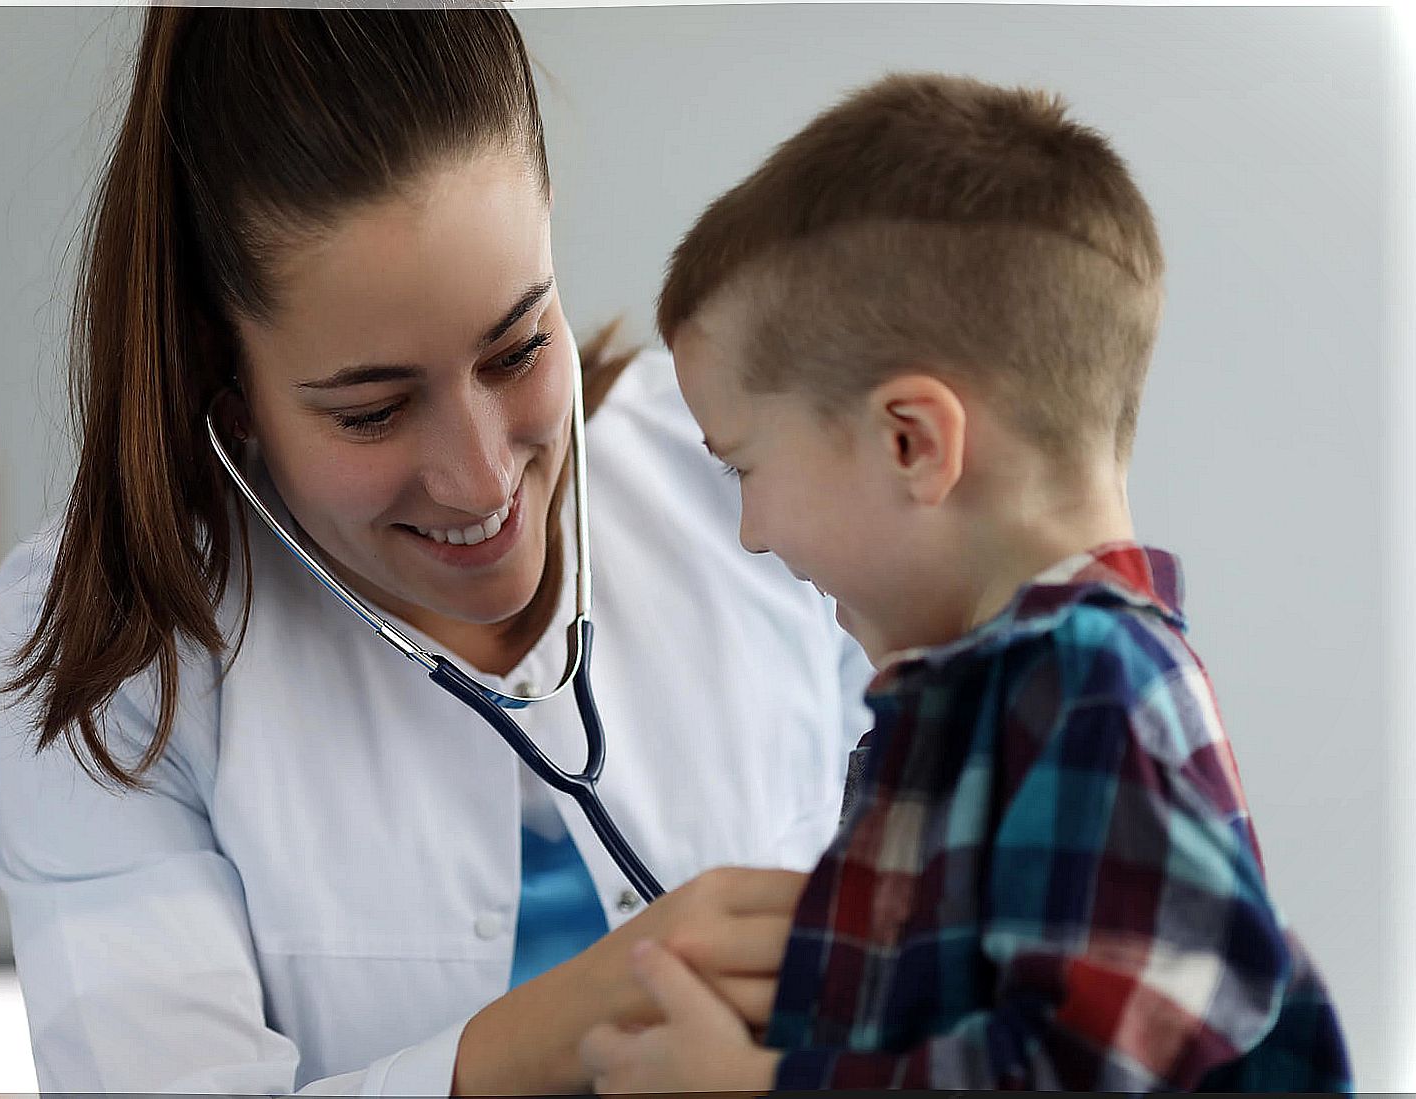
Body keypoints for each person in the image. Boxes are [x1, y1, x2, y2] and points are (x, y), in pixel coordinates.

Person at [0, 8, 874, 1094]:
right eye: (372, 410)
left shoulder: (750, 474)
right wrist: (566, 1022)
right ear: (228, 381)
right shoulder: (115, 643)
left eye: (516, 349)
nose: (481, 478)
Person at [579, 72, 1353, 1092]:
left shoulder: (1089, 687)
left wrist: (762, 1087)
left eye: (745, 467)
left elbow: (1090, 1073)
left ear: (910, 441)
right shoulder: (1002, 697)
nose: (752, 532)